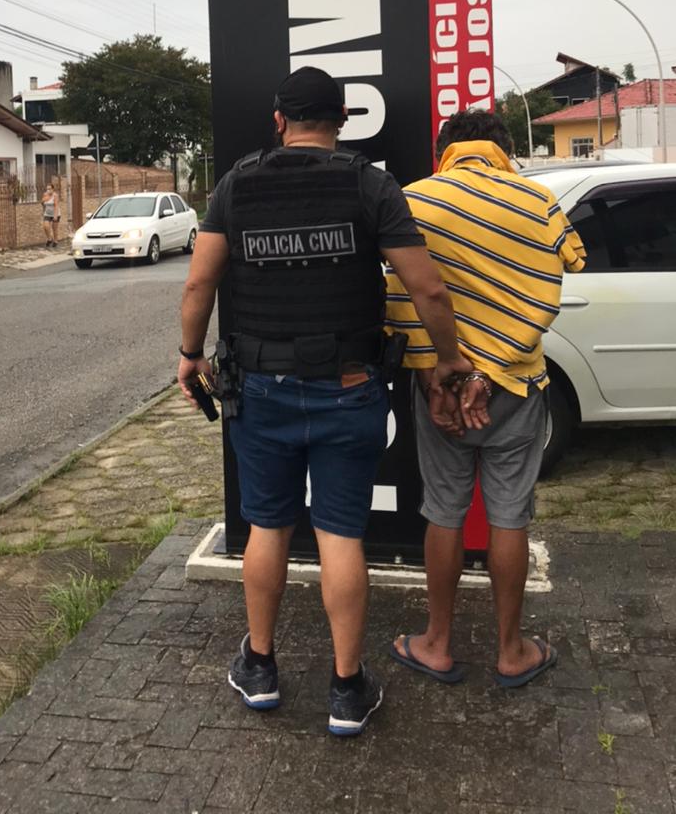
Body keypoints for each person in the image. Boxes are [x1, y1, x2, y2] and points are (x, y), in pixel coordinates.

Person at [176, 66, 472, 736]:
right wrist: (450, 359)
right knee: (342, 534)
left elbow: (198, 285)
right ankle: (345, 688)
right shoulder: (372, 186)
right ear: (341, 119)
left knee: (268, 527)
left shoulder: (236, 186)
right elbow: (429, 291)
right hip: (349, 389)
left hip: (261, 392)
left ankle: (260, 666)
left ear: (279, 121)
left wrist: (190, 355)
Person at [385, 108, 586, 689]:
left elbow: (398, 291)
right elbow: (564, 269)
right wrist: (492, 370)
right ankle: (511, 650)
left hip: (438, 390)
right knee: (509, 516)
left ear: (444, 150)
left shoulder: (412, 200)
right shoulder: (537, 201)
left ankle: (437, 643)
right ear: (503, 148)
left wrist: (433, 376)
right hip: (516, 385)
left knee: (443, 512)